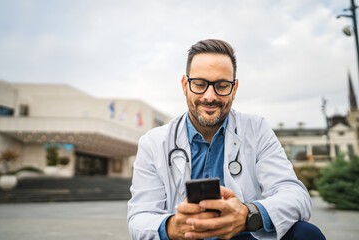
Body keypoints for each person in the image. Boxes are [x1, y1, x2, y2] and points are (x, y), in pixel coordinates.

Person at [127, 39, 325, 240]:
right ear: (185, 85)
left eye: (222, 85)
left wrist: (248, 215)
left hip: (242, 235)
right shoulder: (153, 143)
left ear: (234, 88)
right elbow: (139, 218)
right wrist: (172, 227)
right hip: (186, 238)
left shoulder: (256, 129)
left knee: (306, 234)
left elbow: (295, 195)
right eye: (200, 84)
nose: (210, 96)